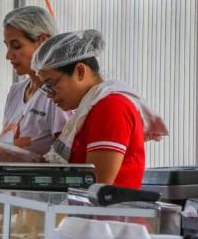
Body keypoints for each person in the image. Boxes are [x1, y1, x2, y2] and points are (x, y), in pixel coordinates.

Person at [33, 29, 168, 188]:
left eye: (52, 85)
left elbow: (96, 186)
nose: (49, 95)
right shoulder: (89, 111)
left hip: (111, 212)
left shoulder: (111, 108)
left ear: (80, 71)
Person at [0, 6, 71, 155]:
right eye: (7, 46)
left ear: (43, 42)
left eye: (16, 46)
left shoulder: (57, 97)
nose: (8, 56)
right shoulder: (15, 92)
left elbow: (65, 161)